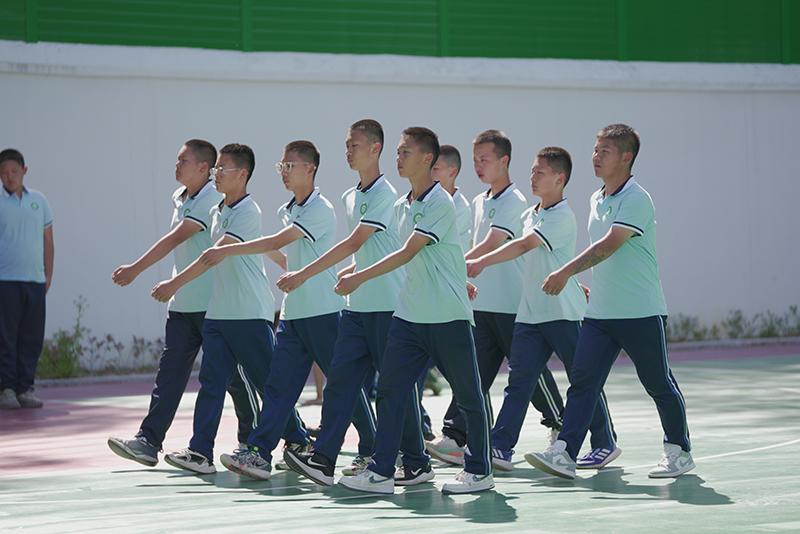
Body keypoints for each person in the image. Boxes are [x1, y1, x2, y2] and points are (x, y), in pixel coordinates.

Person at [332, 127, 493, 495]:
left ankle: (479, 470)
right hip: (409, 316)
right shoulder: (401, 205)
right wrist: (356, 268)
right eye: (398, 152)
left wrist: (359, 278)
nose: (398, 158)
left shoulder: (440, 203)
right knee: (390, 390)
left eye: (406, 152)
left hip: (447, 316)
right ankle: (381, 472)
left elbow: (408, 252)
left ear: (427, 159)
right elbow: (411, 253)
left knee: (469, 395)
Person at [526, 124, 693, 479]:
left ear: (626, 157)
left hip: (640, 311)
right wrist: (584, 284)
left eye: (605, 151)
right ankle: (565, 452)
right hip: (600, 314)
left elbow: (609, 245)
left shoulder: (636, 199)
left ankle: (679, 451)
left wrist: (565, 273)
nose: (595, 156)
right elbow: (603, 256)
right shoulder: (596, 198)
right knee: (582, 382)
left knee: (657, 382)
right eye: (595, 149)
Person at [201, 140, 375, 480]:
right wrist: (266, 255)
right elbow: (281, 250)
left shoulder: (320, 209)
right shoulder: (287, 209)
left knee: (343, 387)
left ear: (310, 169)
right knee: (277, 387)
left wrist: (228, 250)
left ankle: (371, 449)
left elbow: (277, 241)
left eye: (289, 166)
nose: (283, 172)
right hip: (293, 314)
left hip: (324, 312)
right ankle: (259, 453)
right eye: (281, 166)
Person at [280, 120, 430, 487]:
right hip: (356, 309)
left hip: (386, 307)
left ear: (375, 149)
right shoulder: (350, 196)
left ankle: (416, 461)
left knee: (393, 389)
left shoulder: (384, 195)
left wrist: (304, 274)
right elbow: (362, 252)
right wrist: (349, 271)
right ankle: (323, 459)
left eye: (355, 145)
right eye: (346, 145)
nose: (348, 151)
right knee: (340, 383)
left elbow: (354, 242)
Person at [151, 143, 308, 474]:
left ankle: (297, 439)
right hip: (218, 314)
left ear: (242, 174)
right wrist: (283, 261)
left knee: (267, 383)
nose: (216, 175)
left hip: (249, 313)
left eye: (223, 169)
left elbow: (212, 256)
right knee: (211, 384)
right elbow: (252, 245)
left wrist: (173, 284)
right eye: (215, 169)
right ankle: (200, 452)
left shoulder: (248, 210)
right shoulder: (217, 211)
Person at [106, 140, 261, 467]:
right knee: (170, 375)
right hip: (181, 306)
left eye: (183, 160)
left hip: (213, 306)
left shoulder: (212, 199)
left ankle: (257, 440)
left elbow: (176, 238)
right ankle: (148, 441)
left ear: (204, 167)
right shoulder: (181, 197)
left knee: (236, 380)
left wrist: (136, 269)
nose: (176, 165)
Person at [466, 147, 619, 472]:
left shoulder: (562, 215)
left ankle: (604, 442)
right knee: (519, 382)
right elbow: (539, 260)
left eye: (540, 172)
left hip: (563, 313)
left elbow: (523, 245)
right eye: (532, 171)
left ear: (559, 179)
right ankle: (501, 447)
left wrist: (480, 262)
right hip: (530, 315)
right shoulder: (529, 215)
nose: (532, 177)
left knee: (582, 380)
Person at [426, 130, 564, 465]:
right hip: (483, 306)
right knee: (472, 374)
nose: (478, 166)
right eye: (475, 160)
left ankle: (560, 422)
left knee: (528, 374)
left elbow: (493, 242)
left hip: (511, 305)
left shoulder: (514, 200)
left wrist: (453, 267)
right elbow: (479, 245)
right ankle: (455, 435)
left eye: (484, 159)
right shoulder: (479, 201)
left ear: (504, 161)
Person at [0, 148, 53, 410]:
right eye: (4, 172)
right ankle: (6, 389)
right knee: (5, 337)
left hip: (35, 280)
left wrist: (48, 274)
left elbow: (48, 240)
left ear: (24, 171)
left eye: (14, 171)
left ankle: (24, 389)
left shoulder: (39, 201)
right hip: (5, 281)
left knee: (31, 337)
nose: (10, 176)